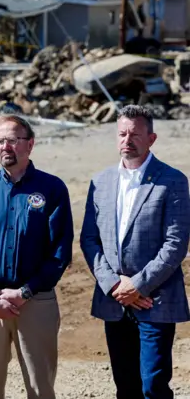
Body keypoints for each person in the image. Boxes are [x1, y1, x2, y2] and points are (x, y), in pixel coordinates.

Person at [0, 113, 74, 399]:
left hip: (36, 302)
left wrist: (25, 291)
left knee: (40, 386)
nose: (5, 147)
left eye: (12, 140)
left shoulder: (52, 189)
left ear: (30, 144)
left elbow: (60, 252)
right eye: (0, 141)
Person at [80, 105, 190, 399]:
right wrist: (115, 285)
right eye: (122, 134)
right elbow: (89, 240)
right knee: (125, 386)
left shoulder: (173, 180)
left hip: (155, 299)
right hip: (113, 301)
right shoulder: (100, 182)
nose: (127, 140)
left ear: (151, 138)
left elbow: (176, 243)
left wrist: (137, 285)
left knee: (152, 386)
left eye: (135, 134)